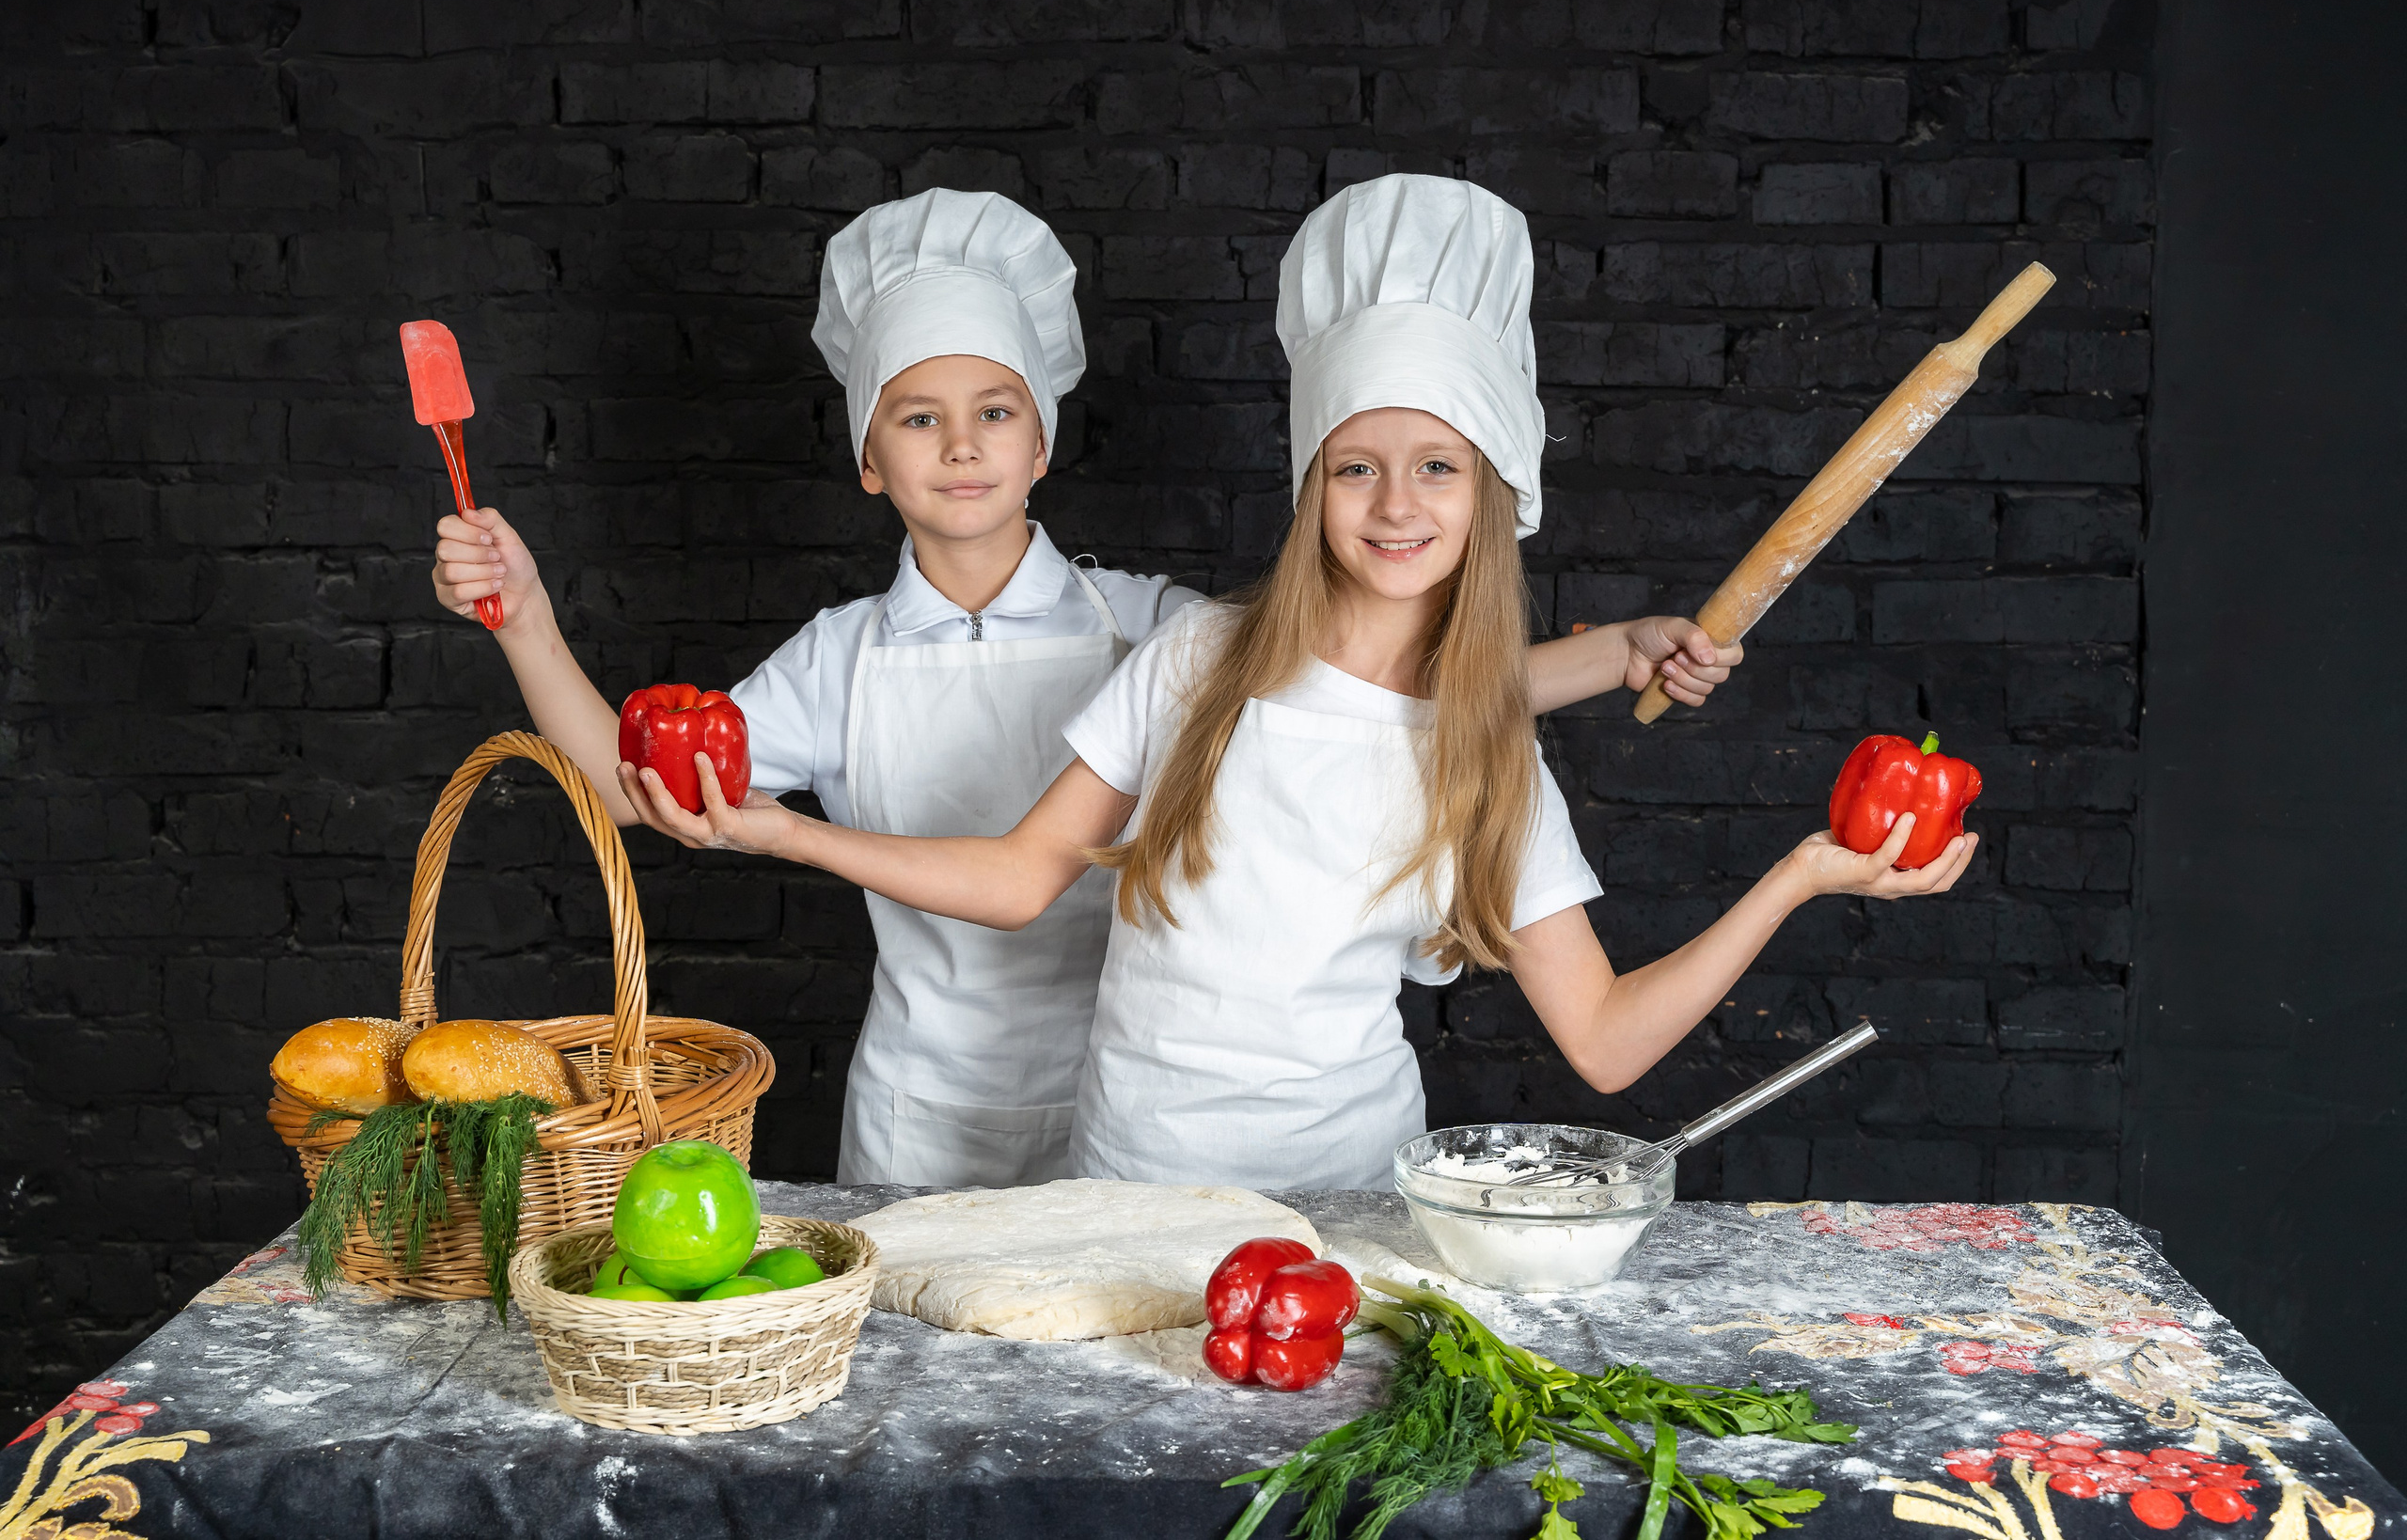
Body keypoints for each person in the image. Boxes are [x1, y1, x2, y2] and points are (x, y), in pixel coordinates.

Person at [436, 185, 1754, 1190]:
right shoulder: (843, 658)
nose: (962, 446)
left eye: (996, 410)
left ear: (1045, 437)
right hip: (936, 1107)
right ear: (867, 458)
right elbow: (635, 788)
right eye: (918, 417)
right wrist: (532, 621)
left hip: (1134, 1108)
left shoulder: (1152, 629)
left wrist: (1613, 653)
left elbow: (1374, 697)